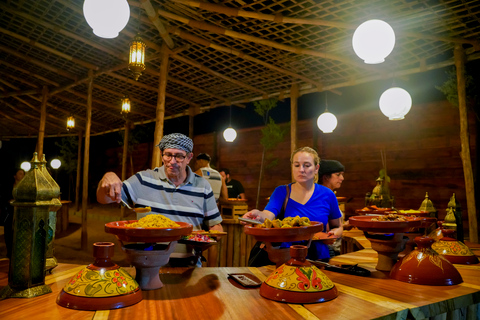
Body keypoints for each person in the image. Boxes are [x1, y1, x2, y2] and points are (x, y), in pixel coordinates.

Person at [96, 133, 223, 267]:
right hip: (145, 266)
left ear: (189, 158)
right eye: (168, 155)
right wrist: (107, 178)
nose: (172, 161)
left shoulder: (203, 186)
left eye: (179, 156)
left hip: (189, 268)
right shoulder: (143, 180)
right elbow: (103, 199)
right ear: (162, 154)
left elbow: (215, 226)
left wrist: (212, 237)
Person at [242, 147, 343, 261]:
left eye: (307, 165)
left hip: (318, 258)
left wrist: (333, 234)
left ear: (316, 168)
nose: (301, 169)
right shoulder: (281, 192)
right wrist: (257, 215)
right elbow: (268, 215)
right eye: (296, 165)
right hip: (287, 257)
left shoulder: (328, 194)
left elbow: (338, 226)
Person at [318, 159, 347, 256]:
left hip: (332, 246)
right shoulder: (321, 196)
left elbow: (334, 226)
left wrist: (343, 226)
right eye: (338, 174)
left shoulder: (330, 195)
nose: (342, 178)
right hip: (326, 248)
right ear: (326, 177)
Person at [2, 169, 25, 259]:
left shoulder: (25, 188)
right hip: (9, 213)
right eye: (20, 174)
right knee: (8, 233)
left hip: (21, 214)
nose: (22, 175)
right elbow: (4, 198)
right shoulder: (9, 187)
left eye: (23, 174)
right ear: (15, 176)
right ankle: (10, 253)